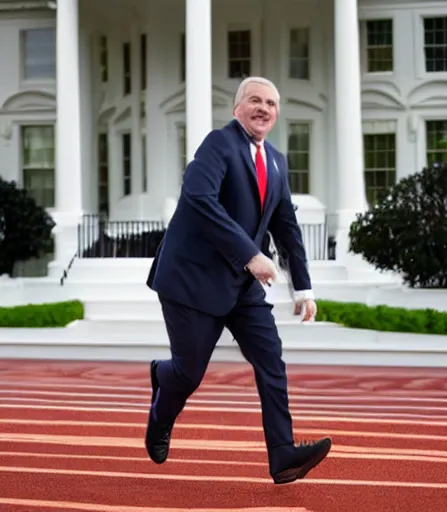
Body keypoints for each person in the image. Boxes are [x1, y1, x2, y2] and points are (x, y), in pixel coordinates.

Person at [145, 76, 332, 484]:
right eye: (254, 101)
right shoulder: (218, 144)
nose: (264, 108)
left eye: (271, 102)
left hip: (243, 287)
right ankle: (162, 388)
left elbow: (287, 228)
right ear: (237, 109)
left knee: (271, 360)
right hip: (193, 280)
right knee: (188, 373)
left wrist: (303, 287)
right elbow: (199, 199)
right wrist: (250, 254)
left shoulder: (278, 161)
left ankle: (283, 456)